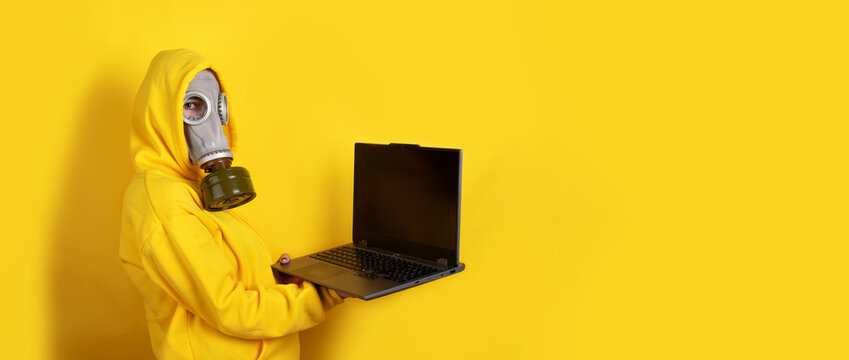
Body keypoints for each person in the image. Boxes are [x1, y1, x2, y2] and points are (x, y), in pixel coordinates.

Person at [119, 49, 345, 360]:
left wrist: (279, 281)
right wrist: (323, 294)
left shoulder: (192, 187)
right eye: (192, 105)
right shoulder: (163, 203)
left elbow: (218, 276)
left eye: (217, 107)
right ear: (161, 114)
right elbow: (229, 308)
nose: (213, 125)